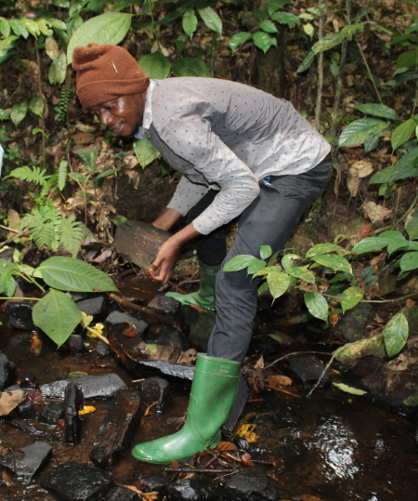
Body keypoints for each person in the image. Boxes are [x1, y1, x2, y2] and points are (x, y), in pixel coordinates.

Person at [72, 43, 331, 464]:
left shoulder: (174, 119)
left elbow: (241, 187)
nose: (105, 119)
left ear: (135, 88)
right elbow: (200, 175)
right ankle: (207, 301)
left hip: (294, 167)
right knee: (203, 219)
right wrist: (162, 228)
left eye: (110, 105)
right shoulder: (152, 114)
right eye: (96, 113)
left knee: (236, 278)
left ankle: (202, 429)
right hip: (253, 165)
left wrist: (175, 241)